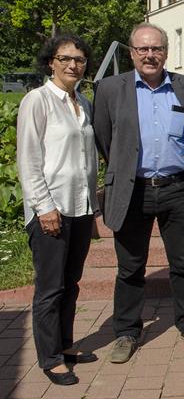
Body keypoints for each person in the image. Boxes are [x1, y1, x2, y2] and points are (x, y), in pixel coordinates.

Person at [93, 23, 184, 364]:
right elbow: (103, 137)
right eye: (143, 49)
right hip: (133, 190)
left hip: (178, 188)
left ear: (166, 52)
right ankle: (127, 331)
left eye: (156, 48)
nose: (150, 55)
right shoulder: (111, 88)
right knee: (130, 267)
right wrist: (124, 168)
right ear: (131, 53)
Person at [17, 34, 99, 385]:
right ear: (51, 61)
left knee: (71, 283)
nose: (73, 65)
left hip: (80, 208)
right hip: (52, 208)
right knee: (50, 288)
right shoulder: (38, 101)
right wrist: (43, 207)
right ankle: (50, 358)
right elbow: (29, 160)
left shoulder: (83, 102)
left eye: (79, 59)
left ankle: (65, 344)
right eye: (65, 58)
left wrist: (92, 206)